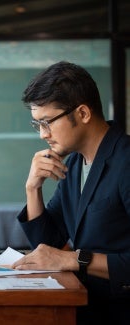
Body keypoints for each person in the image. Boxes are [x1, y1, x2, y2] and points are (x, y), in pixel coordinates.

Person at [11, 61, 130, 324]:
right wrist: (33, 188)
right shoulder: (75, 163)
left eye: (47, 122)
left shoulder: (126, 160)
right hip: (84, 306)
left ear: (83, 113)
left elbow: (64, 257)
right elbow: (49, 245)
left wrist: (77, 259)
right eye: (37, 124)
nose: (43, 135)